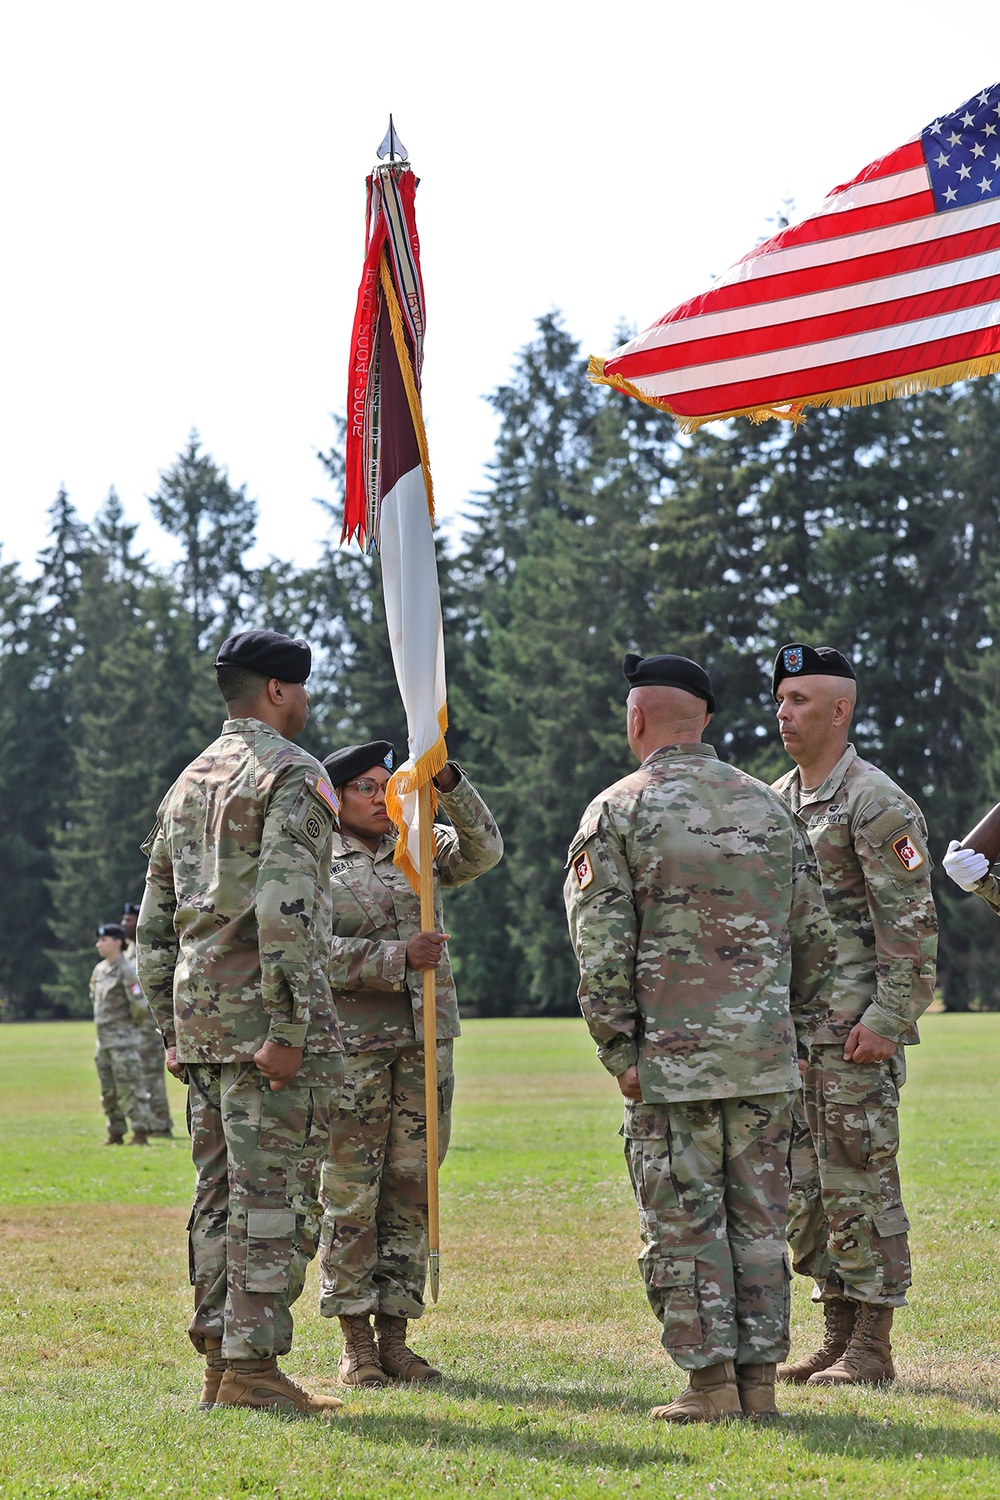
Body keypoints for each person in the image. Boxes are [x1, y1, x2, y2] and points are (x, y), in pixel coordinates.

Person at [564, 653, 834, 1423]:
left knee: (684, 1224)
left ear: (637, 720)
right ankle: (759, 1388)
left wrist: (619, 1051)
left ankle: (710, 1385)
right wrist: (789, 1030)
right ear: (704, 720)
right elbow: (815, 936)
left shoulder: (619, 810)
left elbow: (601, 946)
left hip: (671, 1067)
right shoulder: (768, 806)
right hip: (762, 1058)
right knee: (759, 1223)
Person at [136, 629, 345, 1417]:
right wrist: (288, 1030)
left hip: (203, 1024)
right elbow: (288, 908)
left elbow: (156, 922)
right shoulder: (293, 774)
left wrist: (170, 1026)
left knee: (220, 1196)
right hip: (263, 1026)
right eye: (305, 688)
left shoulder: (187, 781)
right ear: (281, 691)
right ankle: (252, 1367)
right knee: (275, 1198)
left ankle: (224, 1363)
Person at [771, 643, 937, 1387]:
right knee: (805, 1188)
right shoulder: (780, 799)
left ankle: (873, 1344)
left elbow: (911, 926)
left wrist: (888, 1018)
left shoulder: (874, 801)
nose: (783, 712)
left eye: (800, 700)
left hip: (855, 1035)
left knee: (862, 1181)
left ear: (840, 709)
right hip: (795, 1037)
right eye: (780, 700)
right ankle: (835, 1332)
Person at [317, 740, 503, 1388]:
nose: (379, 797)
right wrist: (397, 958)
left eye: (385, 785)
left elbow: (485, 850)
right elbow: (306, 947)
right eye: (364, 788)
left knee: (411, 1190)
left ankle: (395, 1338)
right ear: (335, 796)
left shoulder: (417, 840)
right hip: (352, 1049)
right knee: (350, 1194)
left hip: (424, 1043)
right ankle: (355, 1345)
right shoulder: (313, 858)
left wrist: (447, 779)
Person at [91, 921, 152, 1146]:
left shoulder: (127, 970)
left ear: (117, 942)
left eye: (103, 940)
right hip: (104, 1042)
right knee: (108, 1091)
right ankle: (115, 1132)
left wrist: (127, 1029)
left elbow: (139, 1006)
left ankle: (140, 1132)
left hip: (123, 1041)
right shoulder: (99, 970)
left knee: (130, 1088)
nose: (99, 944)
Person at [121, 901, 174, 1139]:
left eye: (128, 919)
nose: (124, 923)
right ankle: (150, 1121)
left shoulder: (147, 946)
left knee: (152, 1074)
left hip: (149, 1023)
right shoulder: (128, 951)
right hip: (133, 1026)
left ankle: (161, 1125)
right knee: (140, 1074)